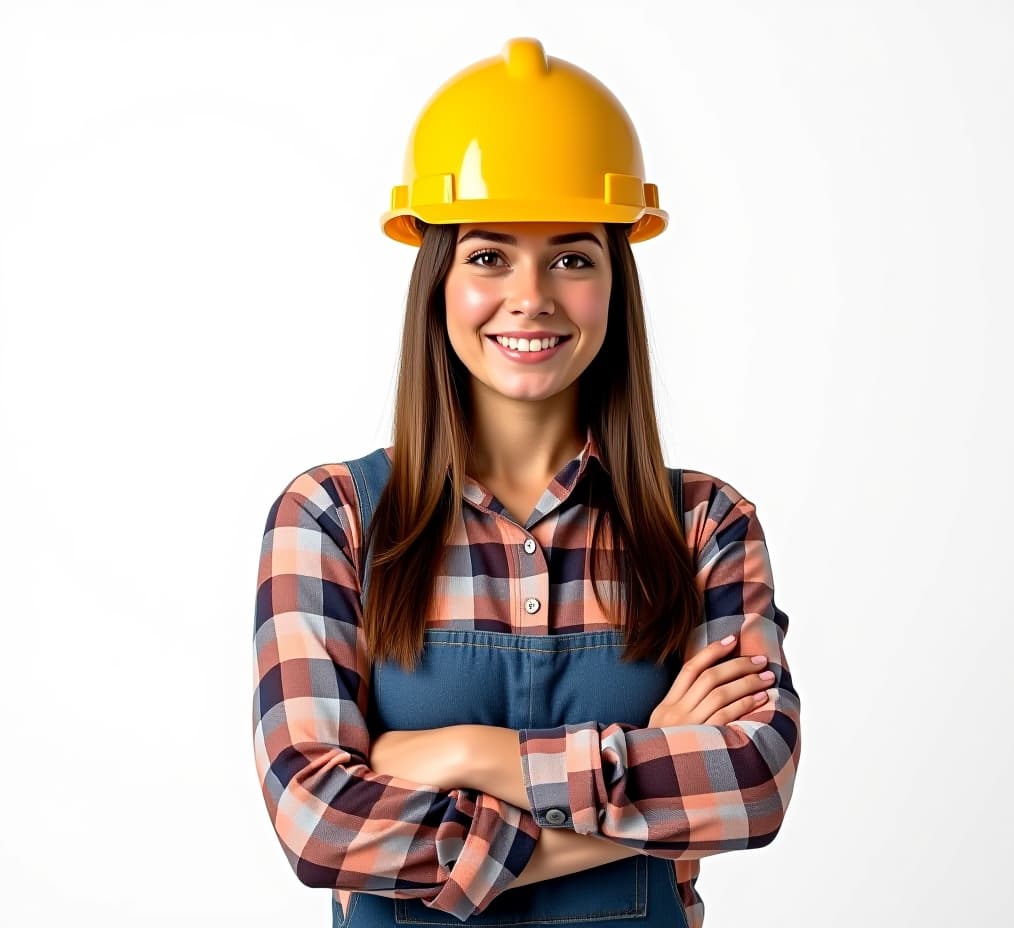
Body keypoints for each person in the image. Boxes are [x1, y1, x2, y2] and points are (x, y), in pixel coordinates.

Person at [251, 37, 801, 928]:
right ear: (437, 281)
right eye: (489, 255)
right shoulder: (332, 518)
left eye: (574, 258)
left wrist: (453, 752)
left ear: (615, 282)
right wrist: (649, 775)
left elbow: (756, 782)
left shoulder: (705, 524)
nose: (532, 295)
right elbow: (316, 825)